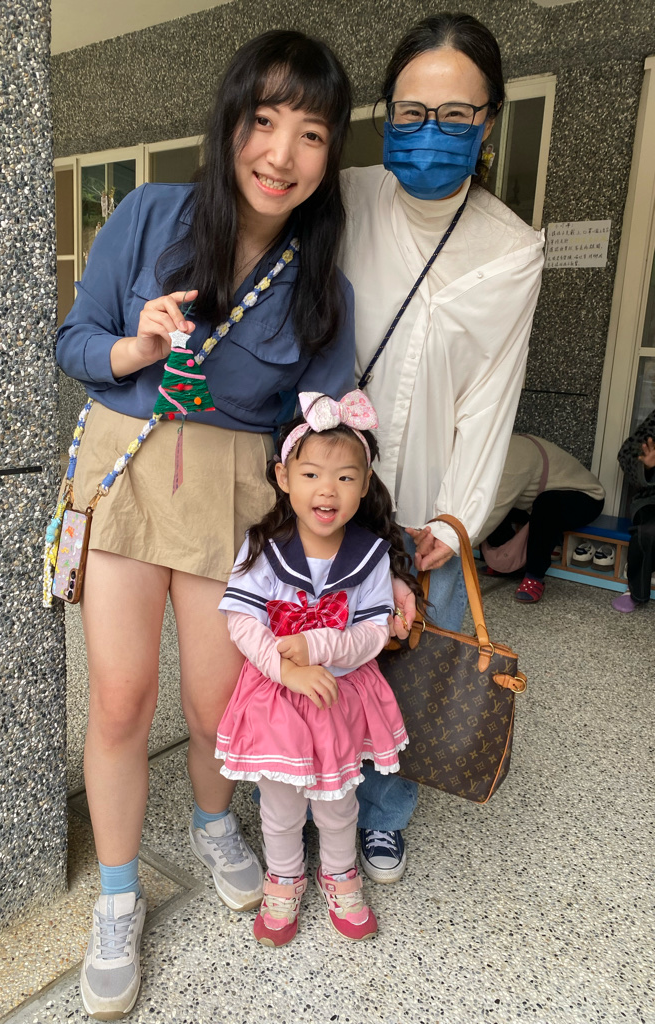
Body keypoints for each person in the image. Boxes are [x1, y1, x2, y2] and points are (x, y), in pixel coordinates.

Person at [54, 31, 355, 1020]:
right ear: (230, 122)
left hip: (234, 493)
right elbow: (73, 342)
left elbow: (322, 432)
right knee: (121, 699)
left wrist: (340, 542)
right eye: (263, 120)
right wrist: (136, 347)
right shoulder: (149, 213)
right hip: (129, 466)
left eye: (311, 133)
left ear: (330, 155)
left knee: (220, 701)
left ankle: (213, 823)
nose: (281, 153)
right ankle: (117, 896)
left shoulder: (323, 285)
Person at [339, 12, 545, 882]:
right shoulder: (345, 199)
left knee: (409, 661)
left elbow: (491, 400)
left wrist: (457, 519)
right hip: (326, 490)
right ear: (387, 112)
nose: (432, 131)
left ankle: (385, 814)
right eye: (412, 112)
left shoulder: (512, 250)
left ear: (488, 120)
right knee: (317, 650)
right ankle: (311, 797)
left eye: (456, 115)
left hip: (426, 503)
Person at [215, 392, 422, 946]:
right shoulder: (263, 546)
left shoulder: (371, 556)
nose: (327, 490)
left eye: (345, 478)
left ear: (366, 484)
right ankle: (284, 879)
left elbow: (375, 632)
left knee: (338, 802)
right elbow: (242, 623)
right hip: (277, 698)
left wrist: (320, 646)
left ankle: (340, 874)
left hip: (339, 696)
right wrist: (288, 671)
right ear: (284, 477)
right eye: (310, 474)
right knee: (280, 804)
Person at [476, 434, 605, 603]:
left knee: (546, 505)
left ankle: (534, 575)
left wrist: (453, 548)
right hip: (534, 499)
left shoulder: (514, 456)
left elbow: (497, 508)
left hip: (587, 497)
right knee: (487, 501)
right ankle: (506, 561)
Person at [612, 408, 655, 612]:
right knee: (648, 530)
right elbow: (626, 455)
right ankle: (636, 590)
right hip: (651, 500)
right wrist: (646, 467)